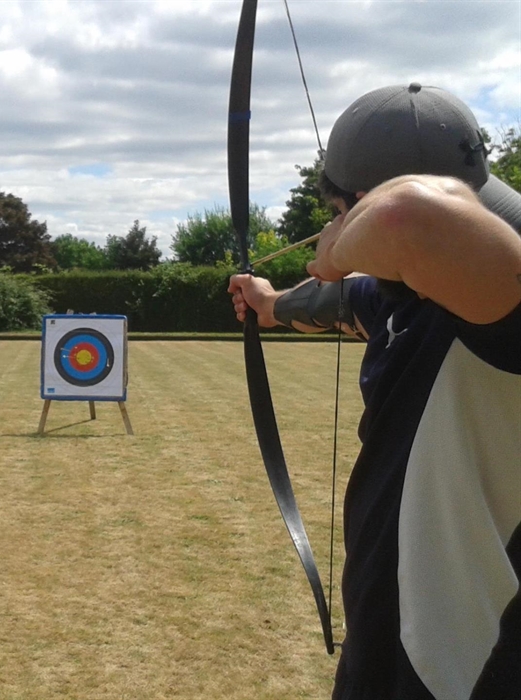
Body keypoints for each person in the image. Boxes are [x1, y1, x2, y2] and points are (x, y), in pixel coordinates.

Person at [229, 84, 521, 699]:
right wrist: (269, 303)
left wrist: (339, 246)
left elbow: (403, 220)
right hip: (390, 634)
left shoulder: (502, 299)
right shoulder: (407, 298)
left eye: (341, 213)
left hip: (460, 661)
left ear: (354, 208)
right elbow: (333, 301)